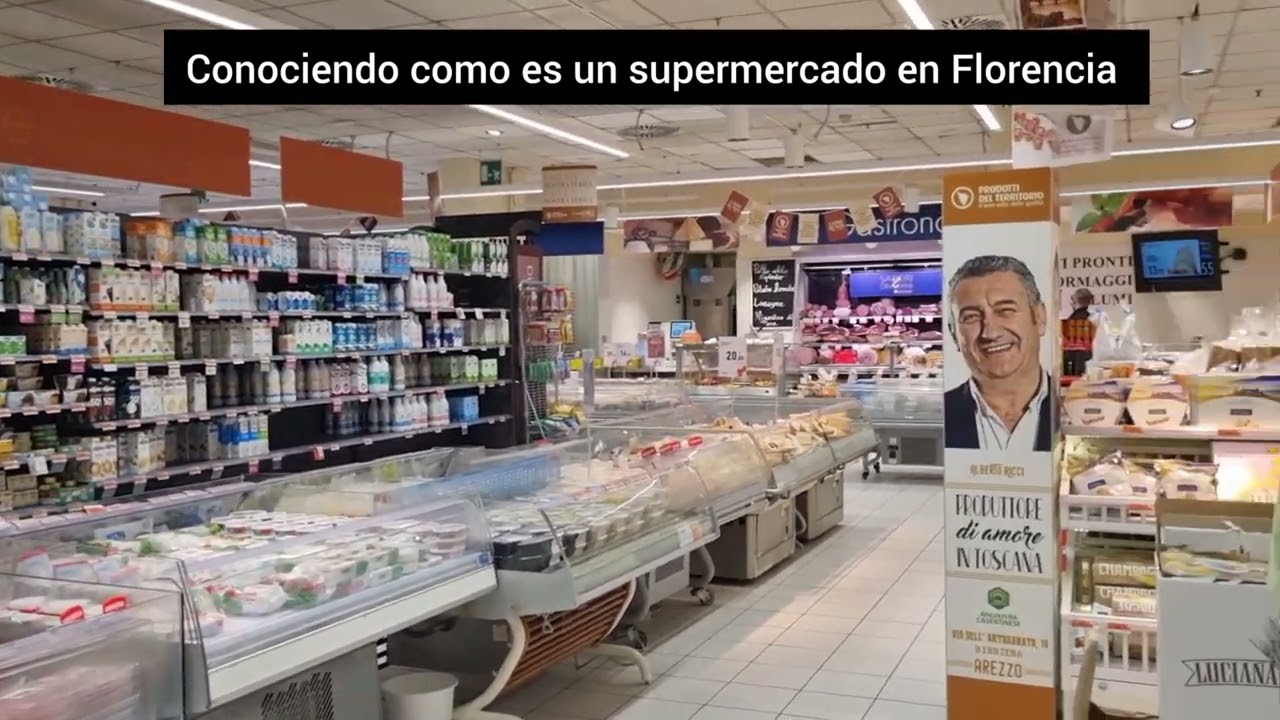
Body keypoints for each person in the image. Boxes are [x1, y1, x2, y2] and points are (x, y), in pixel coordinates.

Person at [944, 255, 1053, 452]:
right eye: (971, 317)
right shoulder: (942, 415)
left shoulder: (1074, 411)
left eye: (1005, 310)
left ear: (1040, 317)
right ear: (954, 334)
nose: (990, 333)